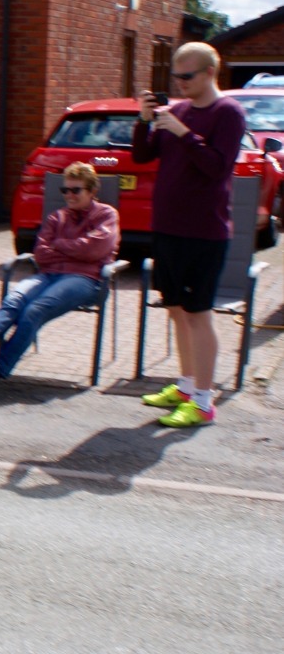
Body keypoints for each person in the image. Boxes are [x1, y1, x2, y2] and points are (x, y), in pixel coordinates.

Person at [131, 41, 246, 427]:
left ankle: (203, 400)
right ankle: (184, 386)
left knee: (199, 315)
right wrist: (144, 120)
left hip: (204, 232)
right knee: (177, 311)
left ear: (209, 73)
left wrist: (183, 132)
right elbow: (142, 156)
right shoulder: (176, 110)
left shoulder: (227, 112)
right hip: (168, 228)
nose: (179, 84)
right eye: (175, 76)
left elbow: (217, 167)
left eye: (186, 76)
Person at [0, 162, 119, 392]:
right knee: (15, 299)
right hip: (49, 274)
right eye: (65, 190)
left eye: (76, 190)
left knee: (35, 309)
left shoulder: (106, 214)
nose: (69, 195)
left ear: (92, 191)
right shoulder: (57, 217)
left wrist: (61, 244)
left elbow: (96, 248)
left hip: (86, 279)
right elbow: (41, 253)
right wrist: (71, 247)